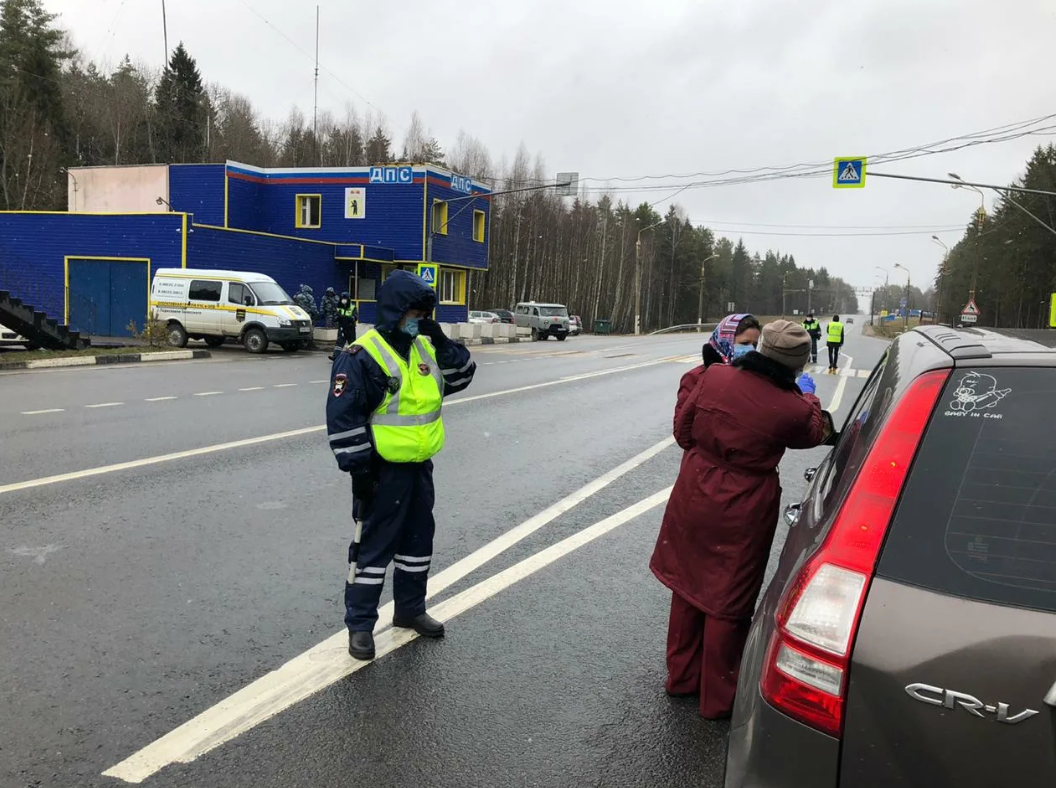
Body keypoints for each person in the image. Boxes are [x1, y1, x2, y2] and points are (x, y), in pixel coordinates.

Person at [650, 320, 827, 719]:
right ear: (797, 365)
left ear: (760, 349)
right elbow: (813, 432)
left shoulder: (713, 377)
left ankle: (680, 678)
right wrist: (809, 397)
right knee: (727, 599)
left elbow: (684, 430)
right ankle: (718, 699)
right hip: (745, 504)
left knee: (686, 582)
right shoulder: (793, 408)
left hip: (695, 488)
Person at [326, 270, 476, 661]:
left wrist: (443, 342)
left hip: (419, 468)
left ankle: (410, 609)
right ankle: (360, 626)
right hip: (380, 470)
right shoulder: (362, 354)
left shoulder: (426, 348)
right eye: (414, 313)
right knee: (372, 551)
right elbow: (344, 418)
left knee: (416, 544)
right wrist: (360, 473)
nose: (419, 320)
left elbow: (462, 376)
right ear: (395, 311)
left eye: (425, 314)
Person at [676, 314, 762, 426]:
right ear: (726, 340)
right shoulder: (695, 377)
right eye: (744, 343)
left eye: (754, 345)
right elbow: (682, 425)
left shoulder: (755, 377)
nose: (750, 349)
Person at [329, 291, 358, 361]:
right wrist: (337, 317)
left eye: (345, 298)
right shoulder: (338, 307)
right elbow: (335, 317)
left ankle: (355, 357)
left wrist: (348, 318)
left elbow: (355, 317)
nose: (343, 300)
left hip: (350, 327)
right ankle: (335, 356)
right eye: (342, 298)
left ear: (348, 299)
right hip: (342, 327)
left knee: (352, 342)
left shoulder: (352, 307)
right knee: (339, 342)